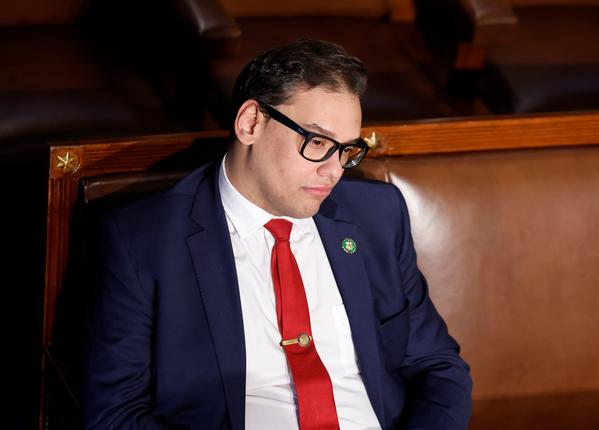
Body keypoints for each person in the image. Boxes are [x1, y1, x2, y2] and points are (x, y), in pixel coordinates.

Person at [83, 39, 472, 429]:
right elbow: (115, 416)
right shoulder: (140, 240)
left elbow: (438, 366)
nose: (334, 170)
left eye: (347, 150)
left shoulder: (378, 216)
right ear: (251, 122)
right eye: (317, 142)